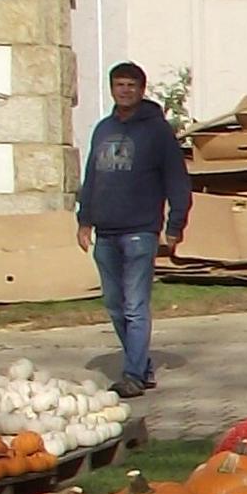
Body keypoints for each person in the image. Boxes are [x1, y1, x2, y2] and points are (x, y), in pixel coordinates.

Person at [75, 61, 190, 398]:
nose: (125, 90)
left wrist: (175, 223)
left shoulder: (156, 131)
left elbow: (177, 179)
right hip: (106, 232)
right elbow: (92, 178)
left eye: (131, 85)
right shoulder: (102, 129)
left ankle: (134, 375)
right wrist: (84, 219)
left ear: (142, 89)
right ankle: (141, 364)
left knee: (135, 305)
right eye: (119, 85)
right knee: (113, 303)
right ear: (112, 89)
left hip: (140, 230)